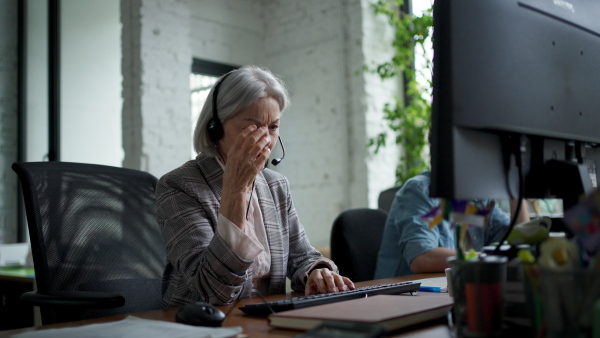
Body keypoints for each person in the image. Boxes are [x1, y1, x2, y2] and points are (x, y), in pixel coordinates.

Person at [156, 65, 354, 308]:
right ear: (215, 127)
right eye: (252, 127)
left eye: (273, 128)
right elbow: (211, 291)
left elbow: (303, 256)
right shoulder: (178, 186)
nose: (266, 140)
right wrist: (235, 190)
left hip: (266, 321)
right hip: (200, 326)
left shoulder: (275, 185)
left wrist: (317, 271)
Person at [374, 170, 529, 278]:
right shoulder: (420, 190)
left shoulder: (477, 196)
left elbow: (520, 243)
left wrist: (515, 188)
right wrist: (489, 259)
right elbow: (422, 258)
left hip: (451, 293)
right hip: (403, 300)